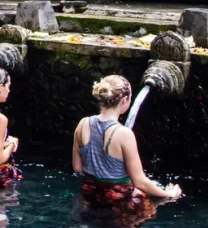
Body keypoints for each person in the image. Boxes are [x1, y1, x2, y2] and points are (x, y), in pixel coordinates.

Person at [72, 75, 182, 207]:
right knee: (140, 220)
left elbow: (77, 167)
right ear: (124, 100)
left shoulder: (83, 124)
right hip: (120, 202)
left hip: (90, 197)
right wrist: (169, 194)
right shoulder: (124, 134)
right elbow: (139, 182)